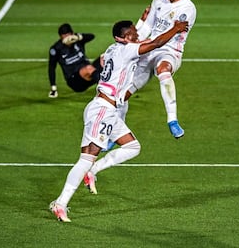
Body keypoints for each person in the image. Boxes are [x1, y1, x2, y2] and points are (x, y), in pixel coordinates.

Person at [49, 19, 189, 222]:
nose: (136, 36)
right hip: (102, 110)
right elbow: (155, 43)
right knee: (86, 158)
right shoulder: (126, 50)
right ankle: (60, 203)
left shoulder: (113, 49)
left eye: (135, 32)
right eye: (132, 34)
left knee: (133, 147)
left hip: (110, 111)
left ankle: (94, 171)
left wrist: (143, 19)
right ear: (121, 38)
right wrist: (175, 29)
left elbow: (143, 41)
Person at [120, 0, 197, 139]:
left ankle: (172, 120)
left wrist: (143, 44)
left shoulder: (188, 9)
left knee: (163, 70)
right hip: (150, 48)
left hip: (170, 50)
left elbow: (167, 38)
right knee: (122, 92)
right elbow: (149, 26)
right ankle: (117, 132)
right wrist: (136, 40)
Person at [48, 23, 103, 97]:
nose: (67, 39)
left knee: (105, 57)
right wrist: (53, 87)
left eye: (68, 36)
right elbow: (51, 68)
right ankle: (107, 92)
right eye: (64, 37)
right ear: (60, 37)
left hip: (90, 74)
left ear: (72, 34)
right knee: (88, 68)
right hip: (75, 81)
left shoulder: (77, 39)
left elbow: (92, 36)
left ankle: (119, 85)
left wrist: (78, 37)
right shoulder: (56, 49)